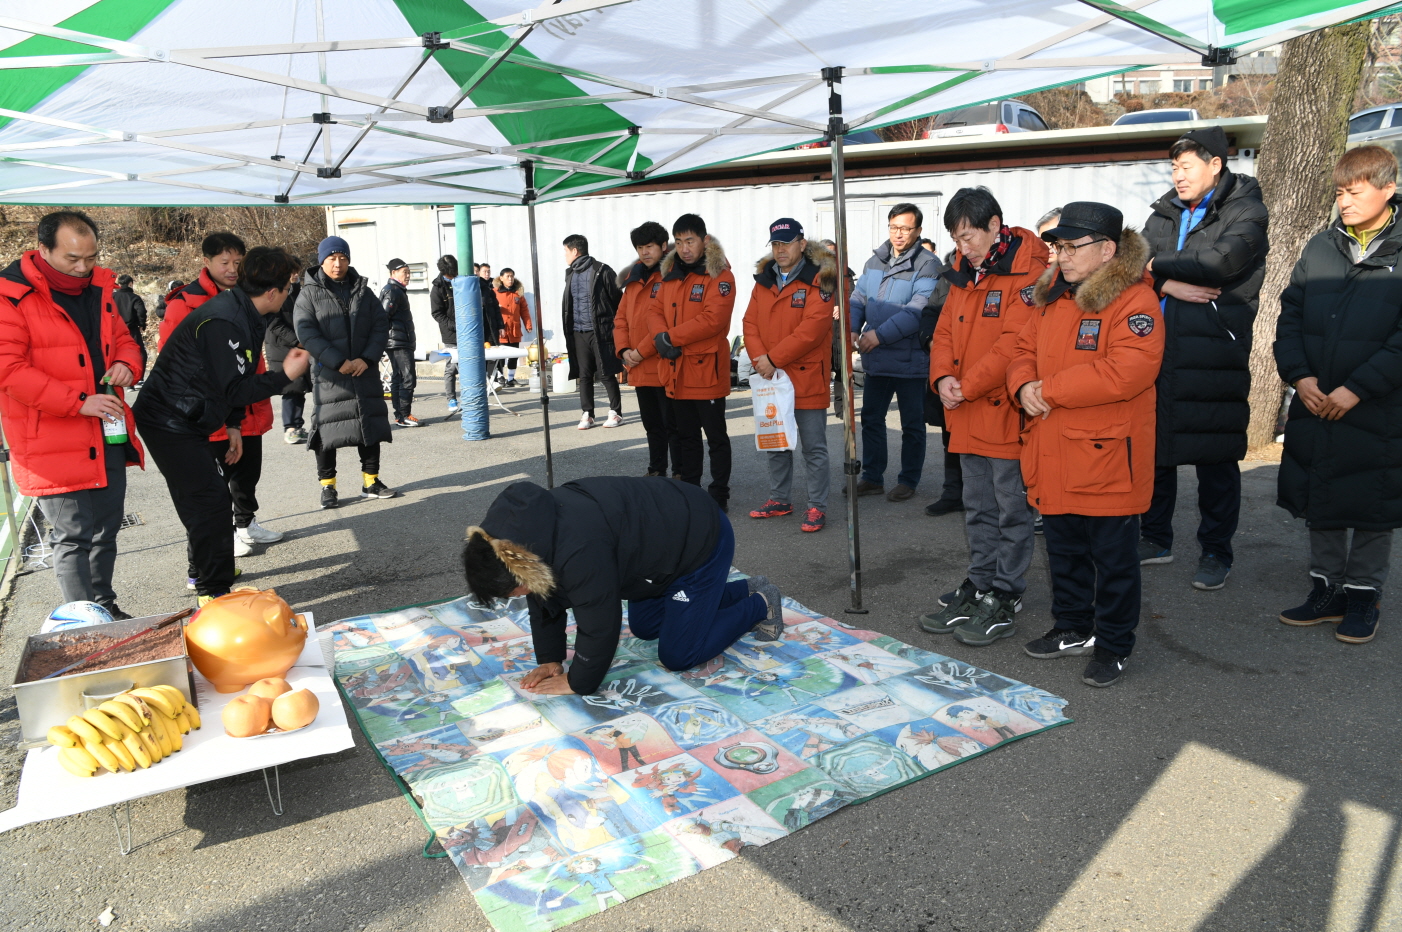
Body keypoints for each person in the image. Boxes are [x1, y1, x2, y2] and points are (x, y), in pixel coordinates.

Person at [1008, 202, 1163, 688]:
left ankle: (1115, 644)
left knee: (1114, 561)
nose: (1061, 256)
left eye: (1072, 247)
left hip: (1107, 459)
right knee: (1064, 552)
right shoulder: (1054, 297)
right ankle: (1074, 627)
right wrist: (1021, 387)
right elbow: (1020, 350)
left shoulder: (1134, 303)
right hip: (1054, 452)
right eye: (1058, 247)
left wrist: (1045, 390)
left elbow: (1126, 372)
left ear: (1107, 250)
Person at [462, 478, 784, 696]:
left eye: (514, 593)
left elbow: (600, 624)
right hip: (657, 546)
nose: (519, 598)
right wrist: (550, 657)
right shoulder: (520, 538)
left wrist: (578, 682)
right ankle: (739, 590)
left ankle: (758, 602)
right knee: (646, 626)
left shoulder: (579, 550)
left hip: (700, 538)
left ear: (520, 570)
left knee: (679, 654)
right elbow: (544, 598)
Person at [1275, 145, 1402, 644]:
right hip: (1315, 397)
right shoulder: (1322, 245)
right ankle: (1325, 591)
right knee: (1320, 489)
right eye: (1339, 192)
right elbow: (1290, 316)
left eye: (1355, 191)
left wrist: (1357, 388)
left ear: (1387, 188)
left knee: (1374, 501)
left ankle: (1363, 596)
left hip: (1381, 404)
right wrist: (1299, 376)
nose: (1344, 202)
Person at [133, 247, 310, 605]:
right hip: (168, 419)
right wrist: (284, 376)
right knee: (209, 501)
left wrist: (232, 425)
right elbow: (237, 386)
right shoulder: (224, 320)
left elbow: (233, 374)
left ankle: (207, 575)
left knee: (207, 498)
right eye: (288, 287)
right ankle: (212, 593)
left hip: (192, 415)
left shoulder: (246, 311)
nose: (290, 293)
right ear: (273, 292)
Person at [1139, 126, 1269, 591]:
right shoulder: (1165, 211)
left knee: (1216, 457)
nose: (1177, 176)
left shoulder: (1247, 211)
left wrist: (1154, 266)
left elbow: (1219, 264)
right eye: (1173, 167)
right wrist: (1164, 282)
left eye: (1186, 166)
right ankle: (1155, 538)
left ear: (1216, 164)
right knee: (1157, 451)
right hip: (1159, 348)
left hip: (1215, 348)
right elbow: (1127, 261)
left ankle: (1217, 550)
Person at [0, 210, 144, 618]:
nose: (83, 268)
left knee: (106, 530)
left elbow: (124, 341)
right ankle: (83, 623)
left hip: (107, 431)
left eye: (91, 257)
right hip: (51, 438)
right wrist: (77, 402)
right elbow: (8, 370)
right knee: (72, 537)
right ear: (43, 249)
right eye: (72, 259)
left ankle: (106, 609)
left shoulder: (101, 289)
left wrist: (128, 365)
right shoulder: (9, 295)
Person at [923, 188, 1050, 644]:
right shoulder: (962, 271)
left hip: (1003, 411)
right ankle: (980, 582)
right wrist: (941, 379)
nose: (963, 248)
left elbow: (1015, 344)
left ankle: (1006, 592)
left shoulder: (1029, 271)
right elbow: (941, 331)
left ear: (995, 225)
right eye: (957, 240)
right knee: (976, 507)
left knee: (1011, 509)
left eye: (969, 237)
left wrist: (966, 386)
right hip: (964, 410)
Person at [157, 232, 283, 565]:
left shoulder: (249, 296)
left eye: (238, 263)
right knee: (212, 484)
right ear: (207, 262)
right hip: (209, 411)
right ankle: (219, 539)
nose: (231, 269)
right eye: (224, 262)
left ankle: (246, 522)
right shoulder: (184, 302)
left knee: (247, 472)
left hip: (248, 404)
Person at [743, 217, 835, 533]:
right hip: (772, 378)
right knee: (776, 441)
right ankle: (780, 499)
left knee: (813, 447)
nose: (781, 250)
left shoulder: (821, 279)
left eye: (787, 242)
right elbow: (749, 324)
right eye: (776, 244)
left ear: (802, 244)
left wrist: (772, 358)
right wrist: (760, 361)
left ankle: (816, 507)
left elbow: (813, 329)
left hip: (806, 376)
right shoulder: (763, 281)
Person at [295, 235, 397, 508]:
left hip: (364, 371)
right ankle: (328, 487)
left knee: (369, 425)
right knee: (327, 432)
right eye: (331, 258)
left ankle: (371, 482)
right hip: (330, 375)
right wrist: (338, 361)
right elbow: (306, 332)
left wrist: (367, 358)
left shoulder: (363, 290)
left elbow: (379, 325)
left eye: (342, 257)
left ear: (349, 259)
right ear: (321, 261)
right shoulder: (309, 293)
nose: (337, 263)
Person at [850, 203, 942, 502]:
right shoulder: (874, 261)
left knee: (911, 424)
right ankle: (872, 477)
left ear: (918, 231)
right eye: (893, 227)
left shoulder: (928, 264)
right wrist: (852, 327)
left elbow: (918, 310)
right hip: (877, 359)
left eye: (905, 228)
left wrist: (879, 335)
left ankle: (908, 480)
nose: (898, 234)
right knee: (872, 418)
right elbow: (858, 298)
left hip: (911, 360)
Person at [650, 214, 737, 511]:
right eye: (679, 242)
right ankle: (691, 490)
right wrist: (660, 336)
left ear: (705, 240)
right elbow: (653, 309)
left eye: (690, 241)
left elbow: (713, 320)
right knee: (686, 437)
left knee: (715, 438)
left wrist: (669, 338)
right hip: (677, 371)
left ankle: (718, 494)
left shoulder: (720, 275)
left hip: (707, 371)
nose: (685, 248)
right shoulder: (669, 272)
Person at [614, 221, 676, 476]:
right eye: (640, 248)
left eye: (649, 247)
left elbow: (666, 324)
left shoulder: (672, 276)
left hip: (662, 364)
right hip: (638, 366)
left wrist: (638, 352)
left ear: (663, 246)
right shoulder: (633, 280)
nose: (645, 253)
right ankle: (656, 469)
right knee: (651, 425)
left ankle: (680, 472)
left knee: (672, 425)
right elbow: (620, 320)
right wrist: (624, 350)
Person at [562, 234, 624, 429]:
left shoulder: (602, 271)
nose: (564, 255)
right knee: (585, 375)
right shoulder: (570, 273)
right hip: (578, 332)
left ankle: (616, 412)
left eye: (565, 251)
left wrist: (615, 326)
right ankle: (587, 414)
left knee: (606, 373)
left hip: (601, 332)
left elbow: (618, 300)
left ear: (574, 251)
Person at [919, 249, 964, 518]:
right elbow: (930, 313)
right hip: (948, 367)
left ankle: (983, 496)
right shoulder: (948, 276)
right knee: (950, 435)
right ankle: (952, 492)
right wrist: (932, 343)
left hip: (981, 370)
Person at [265, 268, 308, 444]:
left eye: (297, 271)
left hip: (298, 345)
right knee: (291, 387)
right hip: (282, 347)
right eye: (291, 271)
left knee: (299, 387)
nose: (295, 274)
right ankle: (290, 428)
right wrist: (297, 341)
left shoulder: (298, 291)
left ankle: (297, 426)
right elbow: (274, 324)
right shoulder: (274, 293)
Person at [380, 258, 419, 427]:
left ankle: (400, 415)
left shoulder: (397, 290)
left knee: (398, 377)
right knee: (407, 378)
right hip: (398, 342)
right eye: (405, 272)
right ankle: (404, 415)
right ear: (393, 273)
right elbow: (382, 317)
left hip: (399, 341)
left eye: (409, 272)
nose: (408, 275)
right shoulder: (393, 291)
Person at [430, 255, 460, 412]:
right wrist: (453, 326)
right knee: (452, 366)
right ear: (443, 272)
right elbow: (437, 314)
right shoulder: (437, 288)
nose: (454, 275)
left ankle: (469, 398)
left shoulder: (460, 280)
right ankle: (451, 399)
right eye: (451, 273)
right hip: (450, 334)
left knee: (466, 366)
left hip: (466, 331)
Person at [495, 267, 532, 387]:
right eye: (507, 276)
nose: (510, 279)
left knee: (514, 356)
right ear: (501, 278)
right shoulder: (495, 292)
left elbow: (524, 310)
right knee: (500, 356)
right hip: (501, 330)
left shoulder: (518, 293)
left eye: (512, 276)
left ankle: (511, 379)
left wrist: (528, 324)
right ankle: (500, 377)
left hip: (514, 330)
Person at [111, 274, 148, 371]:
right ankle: (137, 377)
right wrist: (141, 324)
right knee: (138, 352)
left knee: (116, 353)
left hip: (114, 329)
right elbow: (141, 311)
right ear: (130, 284)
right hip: (131, 329)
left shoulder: (112, 297)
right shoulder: (134, 297)